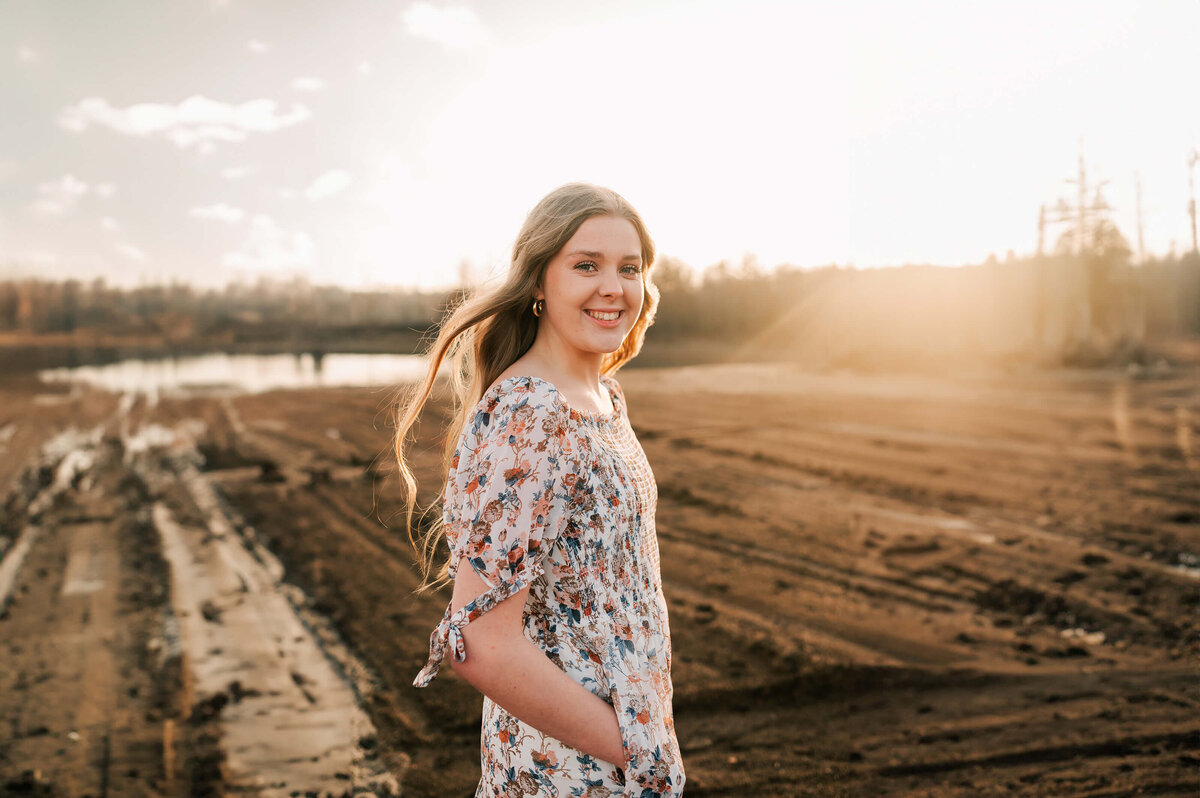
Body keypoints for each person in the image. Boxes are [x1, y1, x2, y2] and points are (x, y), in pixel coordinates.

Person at [395, 182, 685, 797]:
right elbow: (482, 644)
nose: (614, 286)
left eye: (628, 268)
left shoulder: (602, 398)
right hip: (567, 771)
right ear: (537, 281)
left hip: (624, 759)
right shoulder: (526, 414)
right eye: (586, 265)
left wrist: (646, 742)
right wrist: (633, 750)